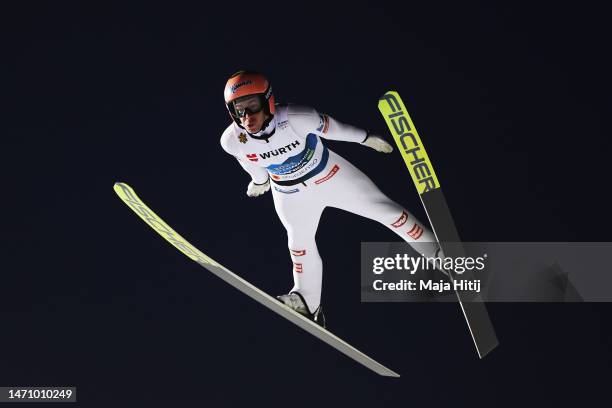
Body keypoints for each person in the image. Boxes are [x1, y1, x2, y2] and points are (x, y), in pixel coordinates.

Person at [220, 71, 439, 328]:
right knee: (298, 243)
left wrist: (366, 138)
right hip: (290, 194)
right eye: (239, 109)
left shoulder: (296, 117)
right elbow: (252, 163)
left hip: (330, 177)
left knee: (388, 213)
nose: (247, 117)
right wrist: (259, 182)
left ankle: (439, 254)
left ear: (267, 101)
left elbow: (334, 128)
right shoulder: (232, 140)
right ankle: (307, 301)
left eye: (252, 106)